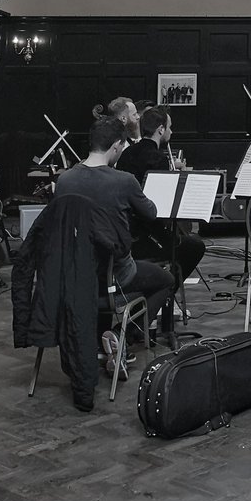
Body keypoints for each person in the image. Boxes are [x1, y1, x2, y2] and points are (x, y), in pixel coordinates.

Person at [54, 116, 175, 336]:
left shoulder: (65, 180)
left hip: (74, 276)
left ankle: (101, 338)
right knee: (166, 280)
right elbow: (151, 213)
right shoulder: (124, 180)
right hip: (115, 277)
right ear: (117, 145)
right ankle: (123, 337)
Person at [116, 106, 205, 285]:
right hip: (145, 236)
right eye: (169, 127)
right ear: (161, 129)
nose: (171, 131)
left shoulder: (127, 153)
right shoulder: (157, 158)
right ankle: (167, 290)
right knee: (194, 246)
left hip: (124, 232)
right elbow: (157, 208)